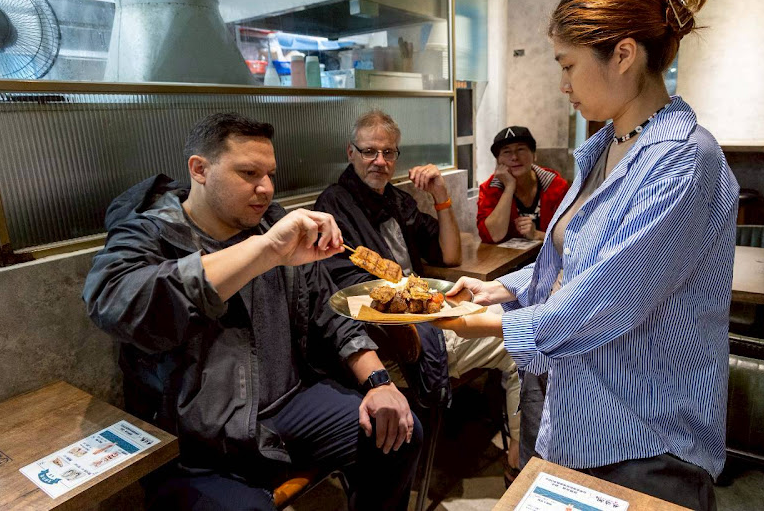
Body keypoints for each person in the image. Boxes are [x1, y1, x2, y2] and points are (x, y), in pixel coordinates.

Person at [435, 0, 736, 510]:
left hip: (645, 437)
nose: (562, 84)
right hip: (578, 415)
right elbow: (577, 262)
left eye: (568, 65)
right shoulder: (605, 146)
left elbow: (606, 298)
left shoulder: (684, 160)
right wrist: (500, 291)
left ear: (623, 54)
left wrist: (477, 324)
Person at [82, 113, 422, 511]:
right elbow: (115, 303)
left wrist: (379, 382)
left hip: (291, 406)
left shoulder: (271, 222)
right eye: (249, 173)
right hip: (199, 442)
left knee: (402, 432)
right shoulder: (149, 233)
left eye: (270, 173)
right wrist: (264, 253)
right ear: (200, 169)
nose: (266, 188)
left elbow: (331, 313)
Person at [314, 109, 525, 485]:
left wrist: (441, 198)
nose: (380, 161)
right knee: (521, 346)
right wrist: (422, 303)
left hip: (428, 312)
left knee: (516, 310)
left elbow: (450, 256)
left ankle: (515, 445)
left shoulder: (397, 200)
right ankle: (521, 465)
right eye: (369, 152)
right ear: (351, 152)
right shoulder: (334, 206)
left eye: (389, 153)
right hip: (399, 337)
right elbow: (348, 291)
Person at [477, 126, 569, 244]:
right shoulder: (490, 189)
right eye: (506, 152)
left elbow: (570, 235)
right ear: (498, 161)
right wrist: (509, 188)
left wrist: (537, 234)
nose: (514, 157)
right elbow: (493, 236)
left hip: (552, 259)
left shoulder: (556, 186)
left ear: (534, 155)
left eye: (521, 149)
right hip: (509, 260)